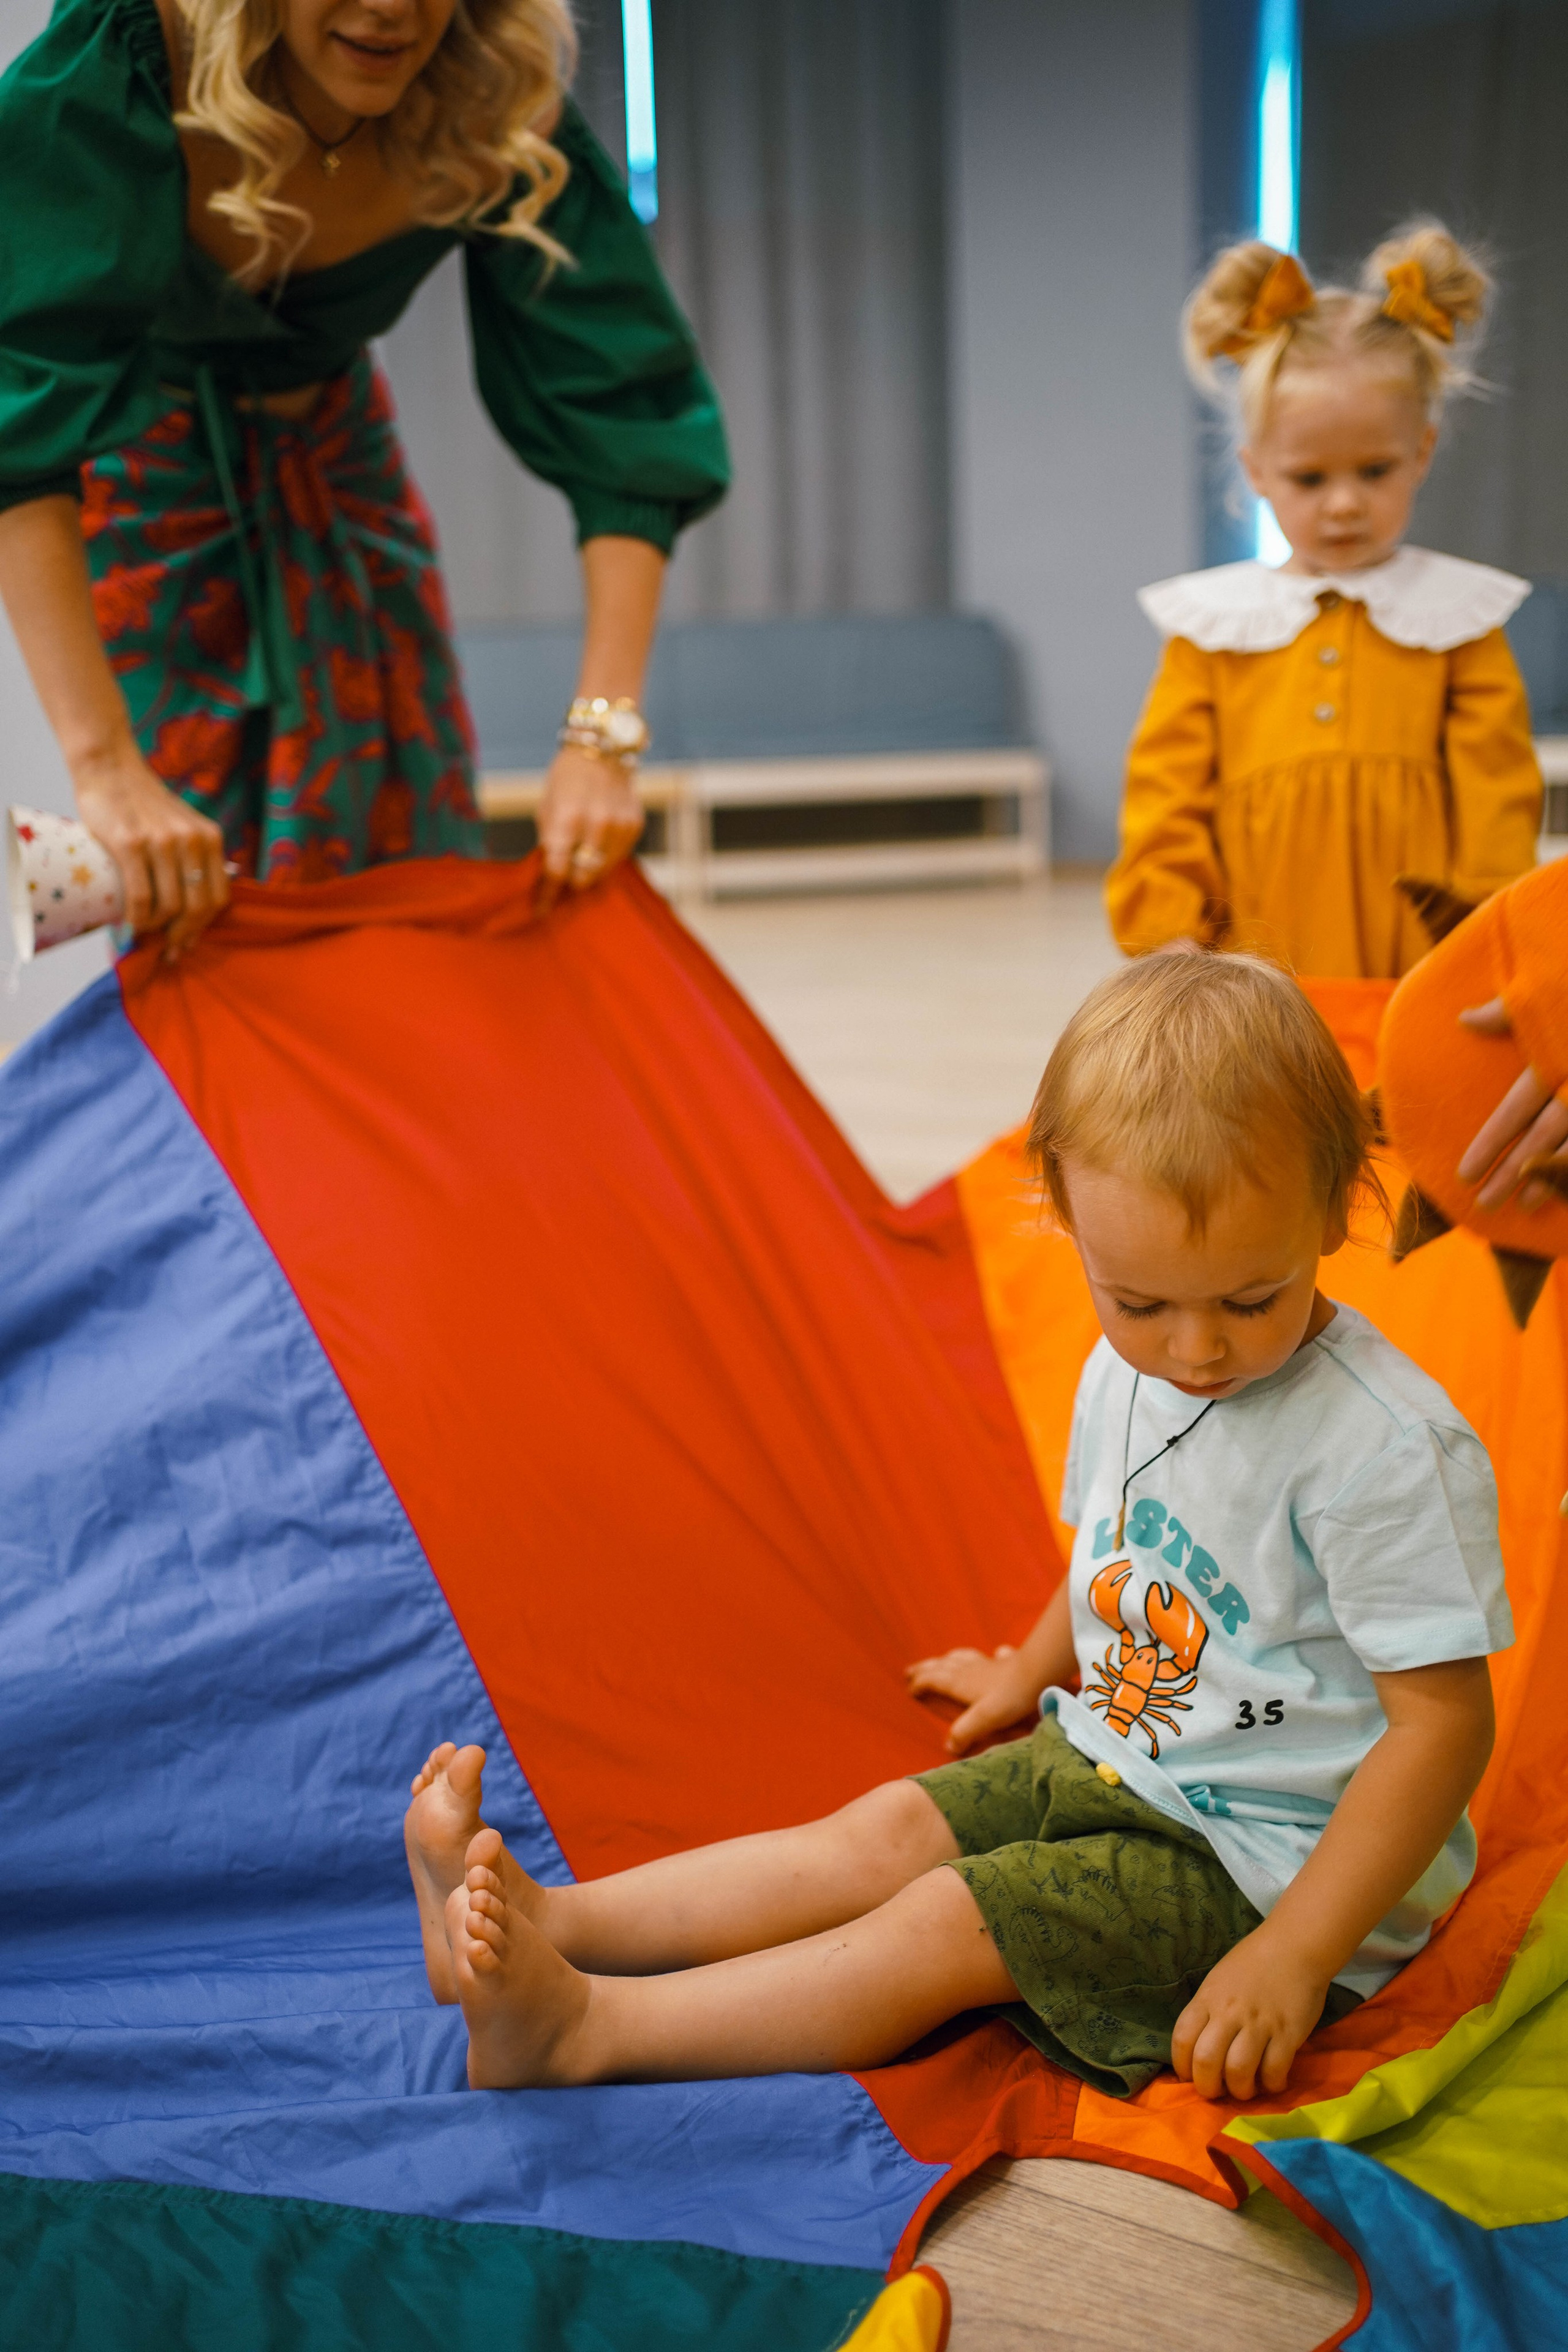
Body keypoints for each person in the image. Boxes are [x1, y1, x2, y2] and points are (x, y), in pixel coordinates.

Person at [404, 953, 1510, 2103]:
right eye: (1140, 1303)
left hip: (1274, 1868)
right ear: (1070, 1223)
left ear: (1337, 1206)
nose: (1196, 1351)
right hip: (1118, 1757)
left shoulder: (1384, 1449)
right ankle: (556, 1919)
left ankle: (585, 2028)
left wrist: (1296, 1952)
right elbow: (1119, 1550)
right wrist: (1030, 1666)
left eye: (1249, 1299)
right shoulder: (1120, 1374)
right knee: (879, 1835)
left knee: (946, 1921)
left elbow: (1442, 1730)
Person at [0, 0, 728, 956]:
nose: (392, 10)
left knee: (407, 868)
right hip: (150, 499)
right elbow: (17, 422)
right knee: (183, 899)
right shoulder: (134, 50)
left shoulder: (498, 90)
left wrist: (601, 745)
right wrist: (103, 766)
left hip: (343, 480)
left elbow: (625, 418)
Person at [1106, 224, 1540, 979]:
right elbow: (1165, 797)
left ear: (1422, 453)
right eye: (1310, 479)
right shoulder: (1213, 630)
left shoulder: (1456, 620)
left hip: (1422, 955)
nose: (1343, 505)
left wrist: (1492, 936)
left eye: (1373, 471)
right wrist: (1169, 929)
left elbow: (1496, 799)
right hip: (1253, 958)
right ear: (1258, 472)